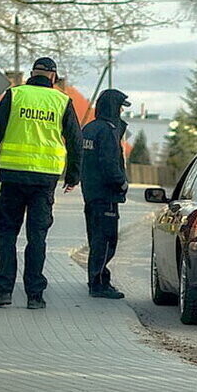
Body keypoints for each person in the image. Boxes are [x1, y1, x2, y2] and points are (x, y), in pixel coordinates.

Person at [0, 57, 83, 310]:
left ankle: (3, 291)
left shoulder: (14, 96)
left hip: (12, 176)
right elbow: (75, 141)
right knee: (37, 237)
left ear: (31, 74)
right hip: (44, 180)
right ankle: (35, 295)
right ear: (53, 77)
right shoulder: (62, 101)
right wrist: (72, 176)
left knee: (7, 234)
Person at [81, 89, 131, 299]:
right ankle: (99, 283)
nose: (121, 111)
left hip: (91, 193)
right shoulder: (108, 131)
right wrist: (121, 183)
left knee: (95, 239)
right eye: (120, 107)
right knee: (106, 241)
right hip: (106, 195)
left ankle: (96, 279)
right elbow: (109, 163)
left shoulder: (89, 129)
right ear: (113, 107)